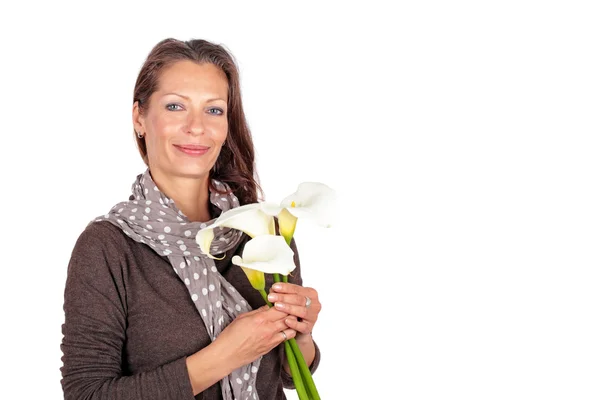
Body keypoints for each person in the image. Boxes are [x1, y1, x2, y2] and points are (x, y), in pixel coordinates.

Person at [60, 38, 322, 400]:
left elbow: (291, 373)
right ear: (139, 117)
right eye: (175, 107)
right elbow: (86, 394)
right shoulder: (108, 248)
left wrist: (302, 333)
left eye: (214, 110)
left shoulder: (265, 230)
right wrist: (225, 355)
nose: (197, 127)